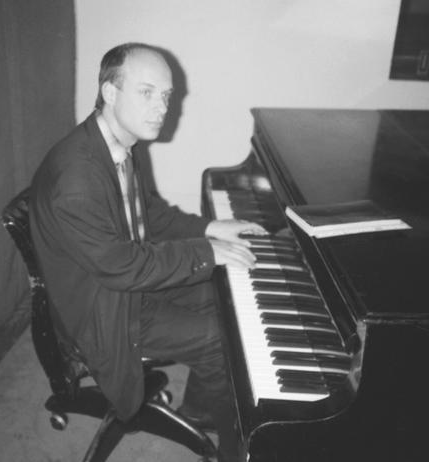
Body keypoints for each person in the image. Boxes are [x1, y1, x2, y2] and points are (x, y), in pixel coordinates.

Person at [29, 42, 264, 461]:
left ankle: (201, 408)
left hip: (125, 283)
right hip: (103, 306)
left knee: (226, 302)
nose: (162, 107)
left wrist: (209, 227)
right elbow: (123, 268)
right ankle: (227, 440)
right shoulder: (77, 179)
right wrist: (207, 252)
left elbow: (147, 214)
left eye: (167, 96)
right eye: (147, 92)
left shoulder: (117, 144)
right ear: (110, 92)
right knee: (222, 338)